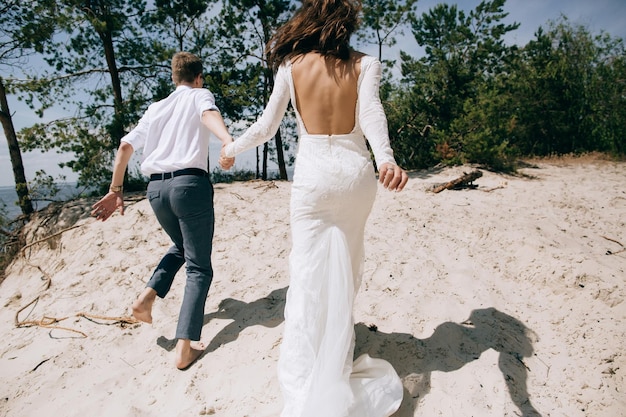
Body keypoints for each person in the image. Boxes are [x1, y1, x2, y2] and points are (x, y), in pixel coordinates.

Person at [220, 1, 408, 415]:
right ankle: (336, 361)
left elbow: (267, 127)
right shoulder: (365, 64)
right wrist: (387, 159)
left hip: (313, 181)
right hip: (356, 175)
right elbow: (372, 113)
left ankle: (308, 376)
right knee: (348, 268)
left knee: (307, 277)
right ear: (347, 23)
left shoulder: (291, 66)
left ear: (309, 20)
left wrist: (231, 148)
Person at [92, 51, 235, 370]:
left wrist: (115, 190)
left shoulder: (156, 108)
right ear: (198, 78)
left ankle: (146, 298)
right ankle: (185, 346)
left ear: (174, 78)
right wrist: (226, 140)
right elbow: (208, 113)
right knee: (199, 267)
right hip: (189, 186)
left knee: (183, 247)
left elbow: (125, 148)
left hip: (155, 191)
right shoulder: (200, 95)